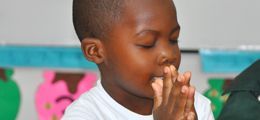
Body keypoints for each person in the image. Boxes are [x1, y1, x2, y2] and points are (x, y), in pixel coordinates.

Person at [62, 0, 214, 119]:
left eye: (173, 40)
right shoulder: (84, 116)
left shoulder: (194, 106)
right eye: (147, 44)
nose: (168, 54)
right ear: (95, 51)